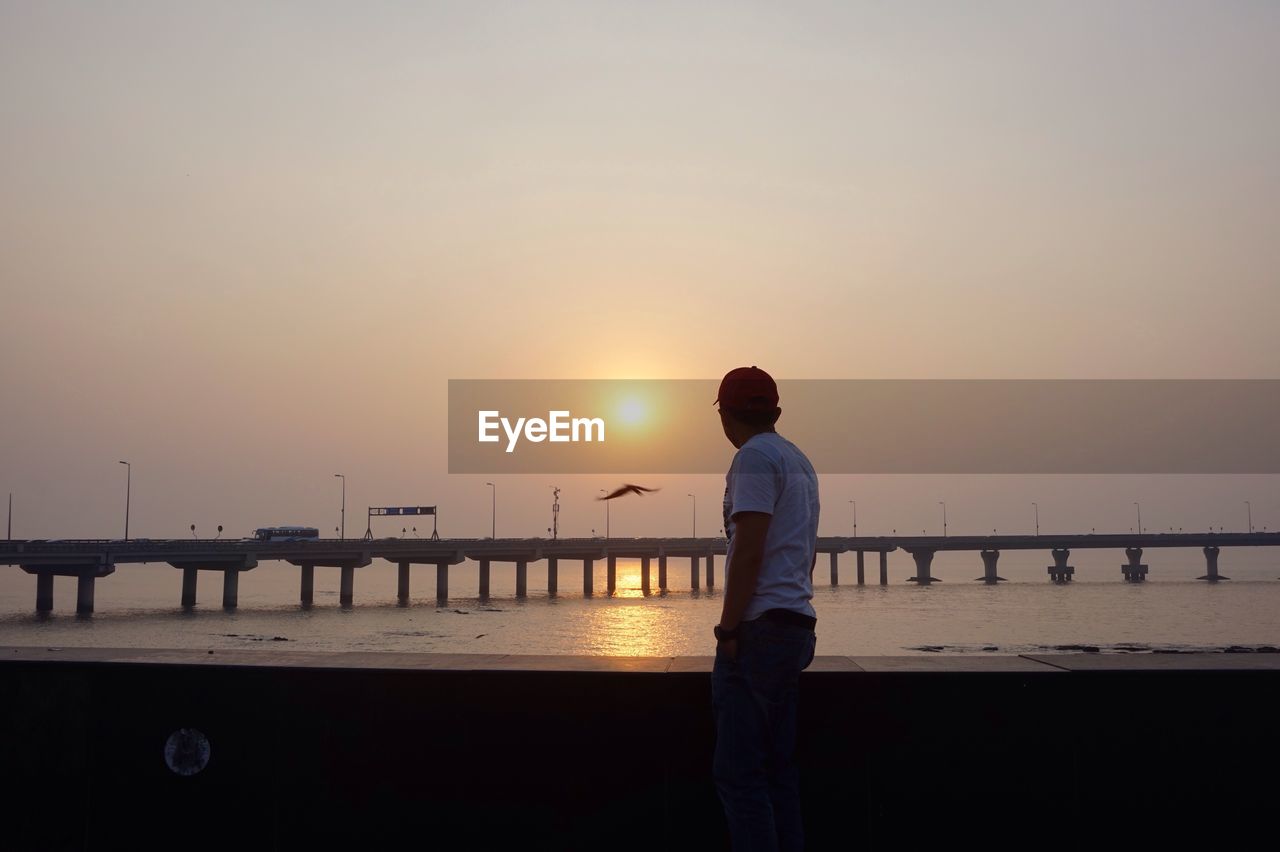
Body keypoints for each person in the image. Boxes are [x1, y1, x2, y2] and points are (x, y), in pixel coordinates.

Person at [711, 365, 819, 852]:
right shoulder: (797, 459)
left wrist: (727, 630)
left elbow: (749, 549)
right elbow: (801, 549)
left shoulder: (753, 458)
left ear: (725, 416)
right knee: (779, 772)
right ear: (775, 411)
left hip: (759, 632)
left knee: (739, 776)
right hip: (796, 626)